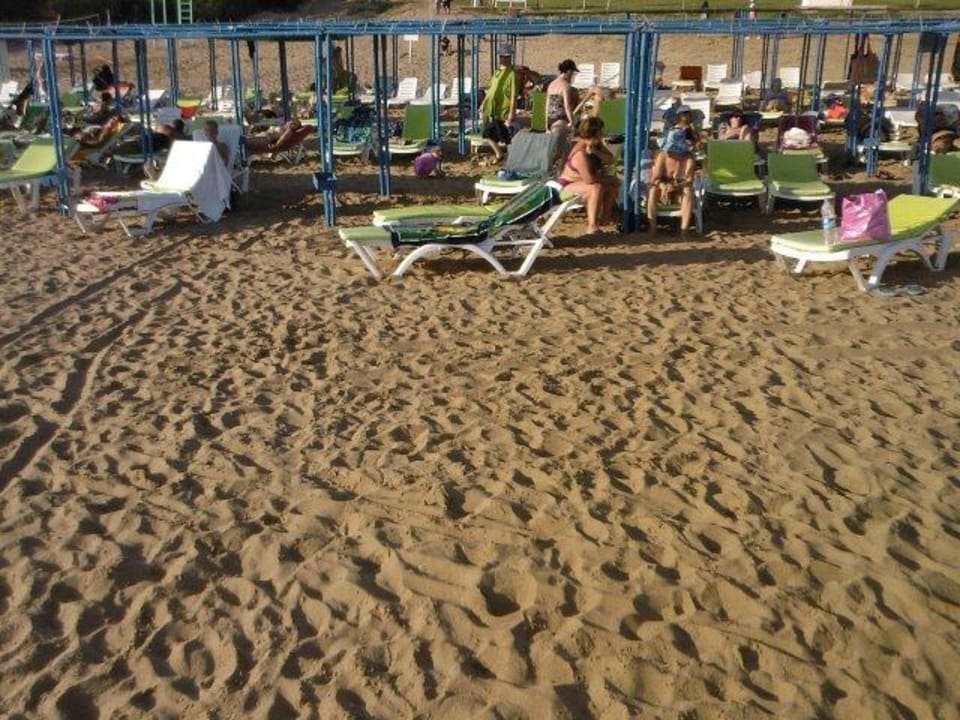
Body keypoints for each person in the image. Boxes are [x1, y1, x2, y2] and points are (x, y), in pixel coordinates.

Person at [557, 117, 620, 234]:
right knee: (596, 188)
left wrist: (596, 152)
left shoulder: (596, 146)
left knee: (613, 184)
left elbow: (610, 159)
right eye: (601, 131)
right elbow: (589, 180)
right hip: (567, 186)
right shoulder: (580, 153)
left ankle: (605, 219)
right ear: (595, 133)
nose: (603, 133)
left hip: (582, 183)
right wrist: (607, 179)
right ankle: (592, 225)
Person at [647, 125, 697, 236]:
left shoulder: (688, 158)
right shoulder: (662, 156)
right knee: (652, 190)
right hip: (662, 187)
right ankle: (652, 228)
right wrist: (663, 186)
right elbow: (655, 178)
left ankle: (684, 230)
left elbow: (689, 180)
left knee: (688, 191)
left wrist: (675, 186)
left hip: (679, 189)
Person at [479, 46, 518, 161]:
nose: (504, 58)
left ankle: (509, 157)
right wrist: (483, 103)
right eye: (502, 56)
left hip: (503, 110)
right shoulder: (497, 72)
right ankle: (500, 154)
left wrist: (511, 112)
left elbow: (514, 95)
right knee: (488, 133)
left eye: (507, 56)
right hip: (493, 109)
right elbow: (491, 90)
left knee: (504, 136)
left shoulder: (512, 74)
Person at [546, 59, 579, 133]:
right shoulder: (565, 85)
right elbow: (567, 106)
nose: (572, 76)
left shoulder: (551, 84)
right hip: (561, 120)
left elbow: (547, 106)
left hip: (550, 121)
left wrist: (546, 126)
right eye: (572, 73)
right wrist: (572, 124)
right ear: (569, 71)